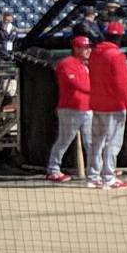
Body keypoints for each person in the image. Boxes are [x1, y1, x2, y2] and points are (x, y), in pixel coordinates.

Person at [85, 21, 127, 191]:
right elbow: (122, 84)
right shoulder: (116, 55)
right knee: (113, 143)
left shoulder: (94, 53)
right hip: (114, 105)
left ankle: (93, 177)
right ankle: (109, 178)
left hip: (96, 103)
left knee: (96, 142)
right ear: (119, 37)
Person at [45, 33, 91, 183]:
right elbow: (74, 83)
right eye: (84, 48)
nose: (88, 50)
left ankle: (96, 170)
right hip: (70, 108)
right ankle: (53, 170)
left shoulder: (86, 65)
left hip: (87, 108)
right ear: (76, 48)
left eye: (88, 47)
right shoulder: (67, 63)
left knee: (91, 141)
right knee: (64, 140)